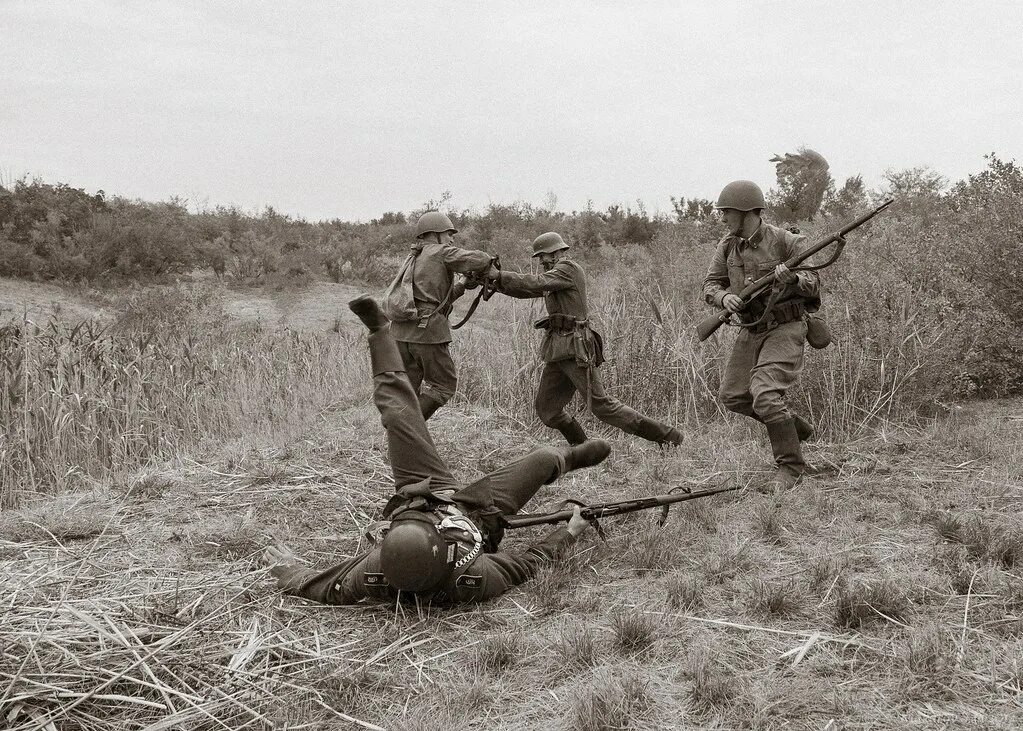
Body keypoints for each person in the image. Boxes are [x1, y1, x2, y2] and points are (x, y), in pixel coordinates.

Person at [264, 295, 610, 605]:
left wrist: (290, 573)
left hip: (424, 493)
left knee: (400, 416)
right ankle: (566, 457)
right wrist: (569, 531)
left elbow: (322, 587)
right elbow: (529, 563)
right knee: (543, 458)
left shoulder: (376, 568)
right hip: (479, 511)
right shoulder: (472, 579)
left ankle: (380, 332)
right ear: (449, 554)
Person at [486, 232, 683, 447]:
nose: (540, 261)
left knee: (601, 405)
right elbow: (527, 289)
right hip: (558, 349)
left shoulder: (567, 269)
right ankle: (582, 447)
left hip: (575, 347)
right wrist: (494, 282)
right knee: (547, 410)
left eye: (542, 256)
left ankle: (668, 436)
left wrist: (499, 275)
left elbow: (536, 282)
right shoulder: (554, 275)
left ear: (555, 252)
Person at [702, 180, 820, 492]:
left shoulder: (787, 241)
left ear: (746, 212)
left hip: (786, 326)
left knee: (765, 395)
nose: (723, 218)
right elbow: (710, 284)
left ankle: (791, 467)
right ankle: (794, 430)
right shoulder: (727, 246)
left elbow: (813, 282)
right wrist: (723, 298)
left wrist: (792, 278)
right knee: (733, 396)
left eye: (726, 212)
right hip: (752, 328)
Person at [383, 210, 498, 420]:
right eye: (448, 234)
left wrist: (462, 284)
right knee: (444, 386)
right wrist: (488, 260)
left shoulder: (414, 257)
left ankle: (401, 440)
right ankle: (409, 427)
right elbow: (479, 259)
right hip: (427, 334)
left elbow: (432, 302)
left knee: (408, 391)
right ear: (435, 234)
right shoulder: (440, 252)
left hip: (402, 334)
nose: (452, 239)